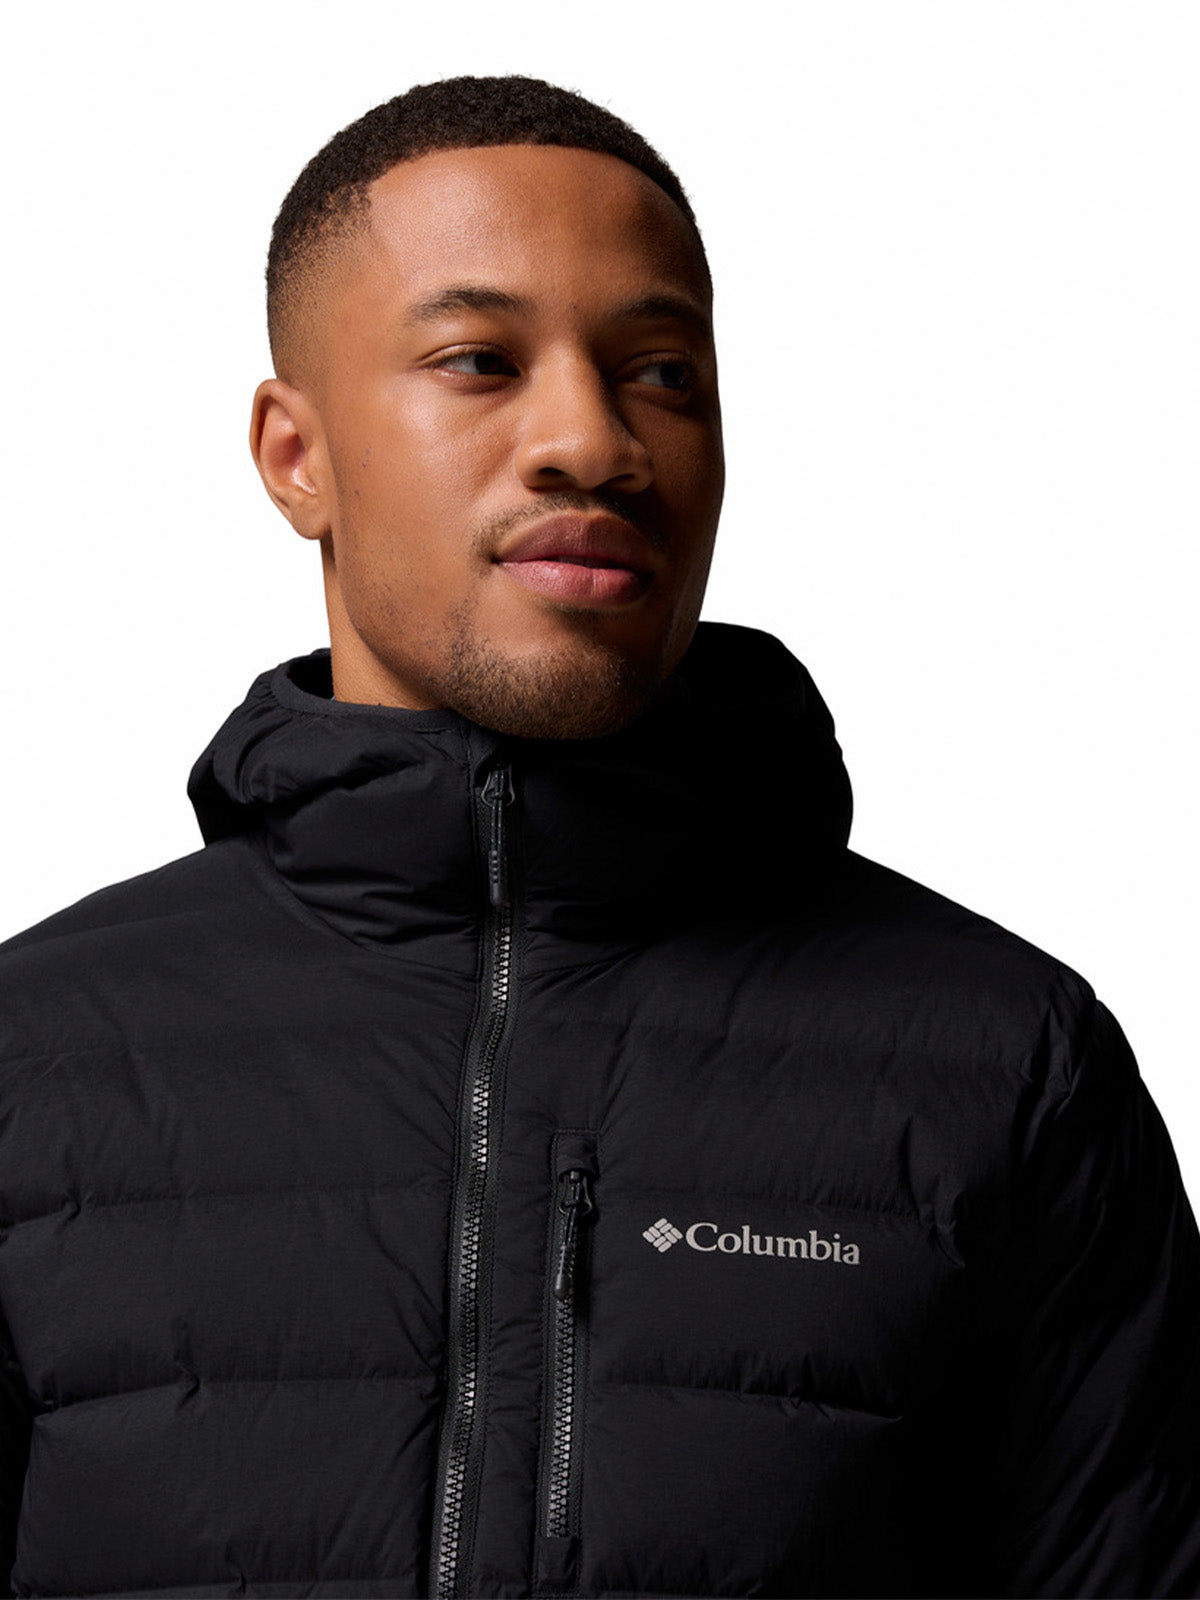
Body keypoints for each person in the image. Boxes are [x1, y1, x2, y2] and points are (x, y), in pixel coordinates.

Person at [0, 72, 1196, 1600]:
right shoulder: (31, 1059)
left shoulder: (1009, 1067)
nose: (592, 440)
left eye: (662, 372)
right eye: (479, 361)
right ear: (297, 456)